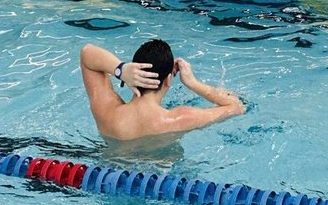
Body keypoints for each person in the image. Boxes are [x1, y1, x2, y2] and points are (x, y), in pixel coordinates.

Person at [79, 39, 245, 140]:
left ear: (133, 72)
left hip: (109, 179)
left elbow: (87, 53)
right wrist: (192, 83)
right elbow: (236, 106)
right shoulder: (178, 119)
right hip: (161, 186)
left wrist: (120, 70)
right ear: (168, 79)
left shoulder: (107, 113)